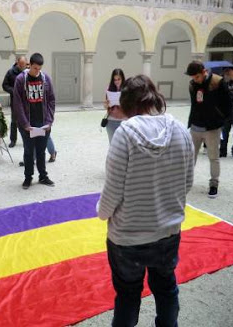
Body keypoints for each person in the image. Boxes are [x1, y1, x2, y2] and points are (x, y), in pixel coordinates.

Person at [98, 75, 194, 327]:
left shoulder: (125, 133)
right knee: (166, 287)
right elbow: (187, 183)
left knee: (128, 294)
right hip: (168, 231)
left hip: (128, 236)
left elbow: (113, 191)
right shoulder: (181, 130)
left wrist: (102, 212)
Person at [186, 60, 232, 198]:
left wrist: (220, 119)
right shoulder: (192, 84)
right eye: (193, 77)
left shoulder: (218, 82)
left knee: (213, 157)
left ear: (204, 72)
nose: (195, 80)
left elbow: (228, 104)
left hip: (212, 127)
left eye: (197, 77)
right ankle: (186, 181)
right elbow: (194, 104)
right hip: (195, 126)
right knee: (190, 156)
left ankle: (214, 184)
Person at [13, 52, 55, 189]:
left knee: (41, 151)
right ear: (29, 65)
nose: (37, 71)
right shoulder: (20, 79)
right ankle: (28, 177)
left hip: (42, 123)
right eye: (35, 68)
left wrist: (49, 121)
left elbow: (51, 100)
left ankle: (43, 176)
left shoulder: (45, 78)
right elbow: (17, 104)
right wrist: (25, 124)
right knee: (29, 151)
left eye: (39, 69)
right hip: (27, 124)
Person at [2, 56, 28, 148]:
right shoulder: (10, 72)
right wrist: (14, 91)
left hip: (27, 101)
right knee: (14, 121)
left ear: (26, 63)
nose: (22, 66)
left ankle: (28, 139)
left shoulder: (28, 72)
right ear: (17, 62)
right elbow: (4, 85)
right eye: (20, 64)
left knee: (27, 120)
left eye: (23, 65)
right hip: (15, 101)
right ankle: (13, 140)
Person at [104, 68, 127, 142]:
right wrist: (106, 104)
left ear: (122, 79)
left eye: (118, 79)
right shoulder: (109, 89)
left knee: (124, 145)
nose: (116, 82)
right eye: (115, 80)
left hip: (124, 120)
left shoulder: (127, 89)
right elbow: (106, 107)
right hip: (111, 121)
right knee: (112, 144)